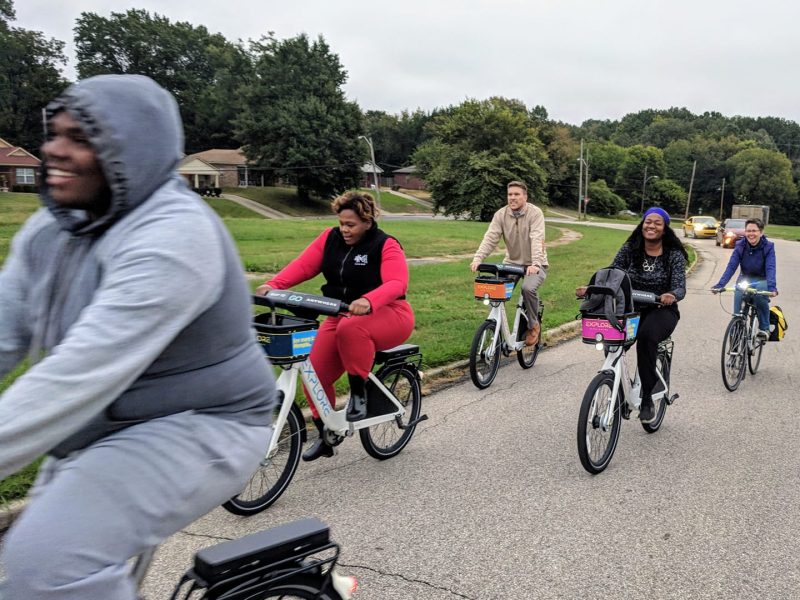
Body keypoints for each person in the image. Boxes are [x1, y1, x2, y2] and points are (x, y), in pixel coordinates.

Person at [0, 75, 277, 599]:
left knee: (48, 557)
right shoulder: (53, 227)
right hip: (97, 430)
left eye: (81, 138)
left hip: (202, 426)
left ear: (131, 151)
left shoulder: (174, 236)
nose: (52, 149)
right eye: (54, 133)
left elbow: (78, 374)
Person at [256, 191, 413, 461]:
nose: (344, 230)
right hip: (340, 313)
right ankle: (328, 434)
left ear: (367, 221)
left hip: (389, 313)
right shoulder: (330, 239)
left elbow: (397, 283)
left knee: (351, 329)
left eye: (350, 225)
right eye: (341, 223)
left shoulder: (385, 244)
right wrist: (274, 285)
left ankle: (359, 394)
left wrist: (368, 299)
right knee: (313, 372)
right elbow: (303, 266)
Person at [577, 207, 687, 423]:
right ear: (642, 224)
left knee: (646, 338)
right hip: (630, 309)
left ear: (664, 229)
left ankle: (647, 398)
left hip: (661, 310)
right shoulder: (630, 248)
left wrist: (670, 295)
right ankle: (618, 381)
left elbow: (680, 287)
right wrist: (590, 288)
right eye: (648, 221)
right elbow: (612, 273)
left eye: (657, 223)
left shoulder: (674, 255)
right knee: (611, 337)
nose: (651, 226)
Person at [470, 181, 548, 346]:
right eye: (510, 194)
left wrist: (535, 263)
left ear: (525, 197)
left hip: (535, 264)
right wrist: (478, 258)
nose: (512, 197)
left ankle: (534, 324)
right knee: (495, 290)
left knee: (528, 289)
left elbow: (537, 238)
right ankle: (496, 327)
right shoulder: (501, 214)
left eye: (516, 194)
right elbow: (491, 238)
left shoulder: (535, 213)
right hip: (512, 263)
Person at [711, 218, 778, 340]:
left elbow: (770, 268)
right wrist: (720, 285)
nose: (750, 234)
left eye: (754, 231)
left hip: (762, 279)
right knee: (738, 310)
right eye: (748, 231)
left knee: (759, 296)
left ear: (761, 232)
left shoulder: (768, 247)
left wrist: (772, 288)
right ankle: (735, 340)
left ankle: (764, 328)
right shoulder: (740, 245)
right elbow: (731, 266)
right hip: (745, 278)